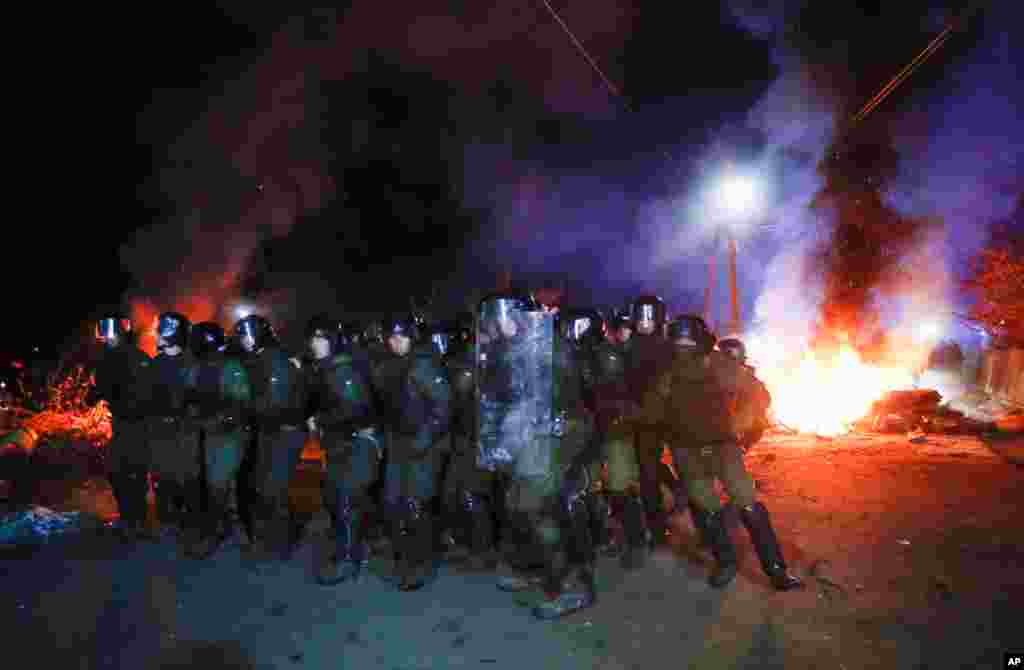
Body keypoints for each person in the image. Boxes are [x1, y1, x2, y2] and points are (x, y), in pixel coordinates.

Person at [661, 315, 803, 590]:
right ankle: (725, 562)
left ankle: (775, 570)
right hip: (685, 451)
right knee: (705, 507)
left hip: (722, 447)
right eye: (678, 341)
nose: (683, 347)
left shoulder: (718, 364)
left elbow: (759, 394)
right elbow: (654, 407)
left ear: (700, 342)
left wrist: (738, 424)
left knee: (747, 503)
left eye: (689, 341)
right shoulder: (666, 370)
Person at [370, 314, 451, 591]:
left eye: (401, 336)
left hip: (423, 445)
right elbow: (386, 407)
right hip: (398, 443)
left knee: (416, 505)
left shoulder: (424, 365)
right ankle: (404, 556)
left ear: (411, 336)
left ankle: (422, 562)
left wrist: (423, 440)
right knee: (393, 503)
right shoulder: (388, 365)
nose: (396, 341)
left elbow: (442, 408)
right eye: (391, 337)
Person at [304, 315, 379, 585]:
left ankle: (351, 558)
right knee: (336, 499)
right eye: (313, 338)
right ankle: (348, 549)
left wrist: (321, 420)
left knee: (346, 500)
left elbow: (354, 409)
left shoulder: (342, 369)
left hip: (357, 442)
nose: (316, 343)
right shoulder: (324, 368)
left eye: (322, 338)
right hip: (339, 443)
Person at [233, 314, 308, 561]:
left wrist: (243, 407)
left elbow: (274, 402)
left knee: (273, 488)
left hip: (285, 432)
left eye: (246, 336)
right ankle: (271, 539)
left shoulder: (275, 360)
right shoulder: (259, 359)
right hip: (270, 431)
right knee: (265, 486)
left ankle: (280, 543)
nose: (243, 341)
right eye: (242, 337)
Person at [184, 322, 250, 558]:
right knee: (219, 481)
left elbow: (241, 405)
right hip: (208, 432)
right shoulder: (198, 368)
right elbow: (190, 398)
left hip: (229, 433)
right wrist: (196, 416)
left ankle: (216, 532)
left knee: (219, 482)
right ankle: (234, 526)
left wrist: (219, 420)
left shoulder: (230, 367)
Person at [90, 312, 154, 542]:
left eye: (108, 335)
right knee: (122, 474)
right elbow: (98, 391)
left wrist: (109, 392)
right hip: (125, 424)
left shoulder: (130, 358)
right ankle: (132, 520)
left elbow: (146, 392)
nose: (105, 339)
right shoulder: (113, 358)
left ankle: (136, 522)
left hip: (136, 425)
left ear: (118, 334)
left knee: (130, 474)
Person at [624, 295, 676, 557]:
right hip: (629, 416)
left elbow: (667, 387)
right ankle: (674, 494)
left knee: (647, 474)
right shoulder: (627, 344)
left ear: (658, 318)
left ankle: (657, 530)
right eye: (640, 316)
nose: (645, 322)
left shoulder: (666, 348)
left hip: (652, 420)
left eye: (649, 316)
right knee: (641, 469)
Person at [146, 312, 196, 550]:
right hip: (161, 432)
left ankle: (190, 525)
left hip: (186, 431)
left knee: (186, 479)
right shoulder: (154, 364)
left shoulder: (192, 363)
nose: (155, 334)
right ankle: (168, 522)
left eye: (160, 330)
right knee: (163, 479)